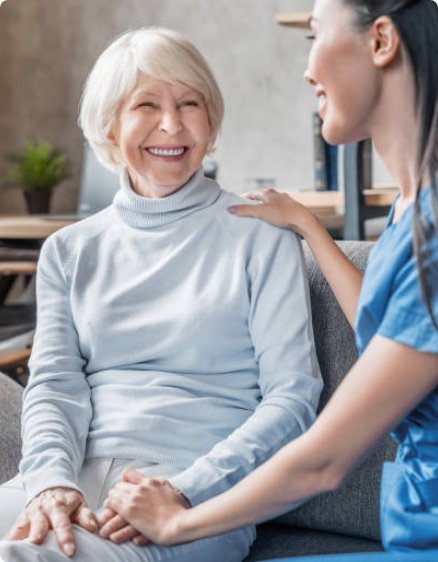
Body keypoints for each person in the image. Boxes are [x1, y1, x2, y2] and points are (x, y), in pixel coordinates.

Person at [96, 1, 438, 560]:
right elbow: (388, 336)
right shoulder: (411, 208)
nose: (307, 70)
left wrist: (180, 522)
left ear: (380, 40)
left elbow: (324, 462)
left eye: (314, 35)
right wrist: (309, 226)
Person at [0, 27, 322, 562]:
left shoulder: (260, 237)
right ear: (109, 124)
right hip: (74, 482)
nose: (172, 125)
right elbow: (55, 387)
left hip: (196, 498)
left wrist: (185, 490)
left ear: (212, 117)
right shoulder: (69, 250)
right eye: (145, 104)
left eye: (189, 103)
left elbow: (293, 397)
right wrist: (52, 482)